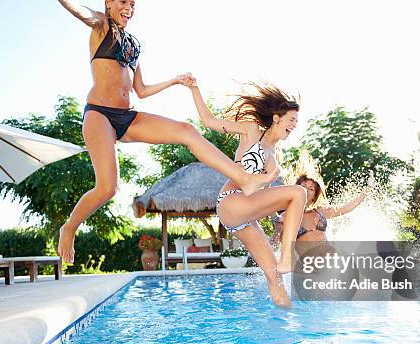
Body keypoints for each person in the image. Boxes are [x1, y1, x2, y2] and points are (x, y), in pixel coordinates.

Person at [55, 0, 277, 263]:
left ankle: (243, 178)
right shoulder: (102, 27)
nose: (129, 7)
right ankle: (69, 227)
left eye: (133, 4)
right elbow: (79, 11)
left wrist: (174, 81)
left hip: (126, 116)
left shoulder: (133, 45)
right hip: (99, 114)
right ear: (109, 3)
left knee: (186, 130)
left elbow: (142, 91)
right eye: (123, 2)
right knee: (107, 188)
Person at [183, 77, 307, 308]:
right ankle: (288, 257)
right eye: (291, 120)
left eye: (296, 123)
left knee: (275, 278)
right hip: (231, 200)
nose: (293, 126)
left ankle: (287, 326)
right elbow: (209, 121)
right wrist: (194, 88)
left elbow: (263, 199)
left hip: (243, 217)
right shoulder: (251, 131)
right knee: (298, 192)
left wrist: (279, 219)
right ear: (276, 118)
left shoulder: (274, 159)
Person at [273, 173, 375, 245]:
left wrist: (365, 193)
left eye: (311, 189)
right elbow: (275, 244)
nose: (306, 191)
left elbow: (346, 208)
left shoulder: (320, 211)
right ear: (296, 189)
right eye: (303, 186)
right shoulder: (285, 216)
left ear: (314, 196)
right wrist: (278, 230)